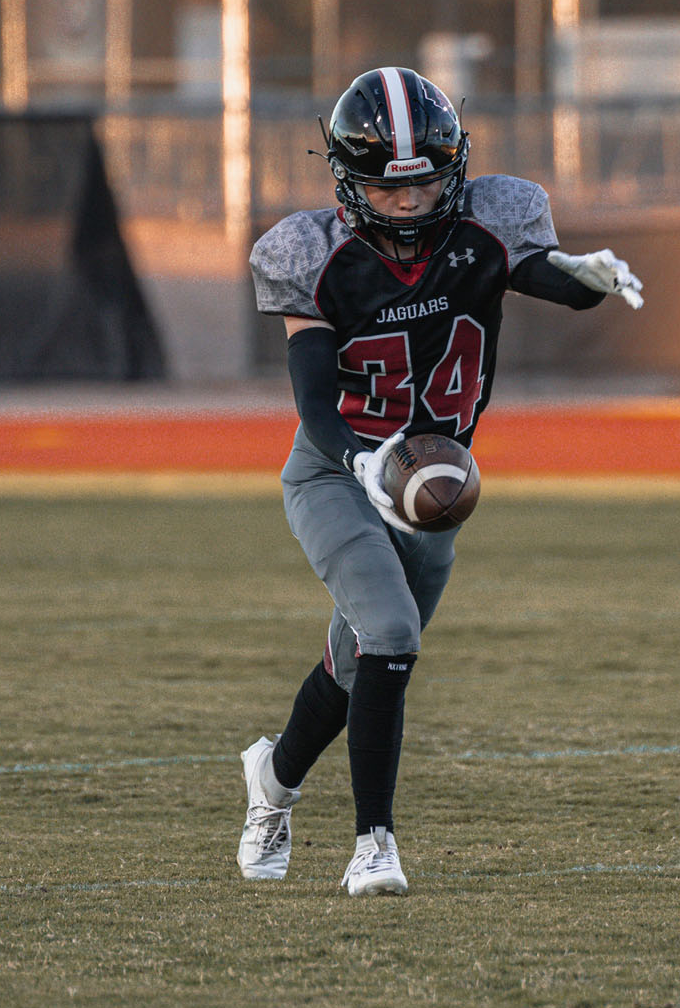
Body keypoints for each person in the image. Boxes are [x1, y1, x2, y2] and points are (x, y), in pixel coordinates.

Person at [239, 66, 643, 896]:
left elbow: (553, 283)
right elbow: (313, 397)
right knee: (391, 635)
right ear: (348, 183)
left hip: (434, 485)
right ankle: (374, 846)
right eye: (390, 189)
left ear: (453, 169)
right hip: (339, 470)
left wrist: (586, 279)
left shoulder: (486, 227)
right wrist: (360, 461)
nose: (409, 203)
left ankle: (271, 784)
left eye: (424, 183)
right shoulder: (313, 256)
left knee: (360, 662)